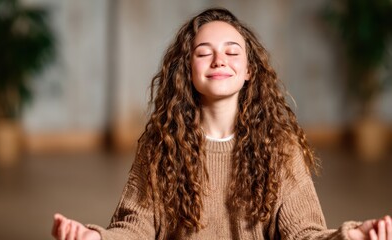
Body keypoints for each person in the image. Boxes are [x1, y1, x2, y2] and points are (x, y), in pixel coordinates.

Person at [51, 7, 392, 240]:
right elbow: (135, 229)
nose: (219, 60)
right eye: (203, 52)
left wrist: (349, 235)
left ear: (248, 71)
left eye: (232, 52)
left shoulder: (280, 148)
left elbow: (303, 234)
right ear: (188, 70)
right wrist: (96, 236)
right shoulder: (163, 145)